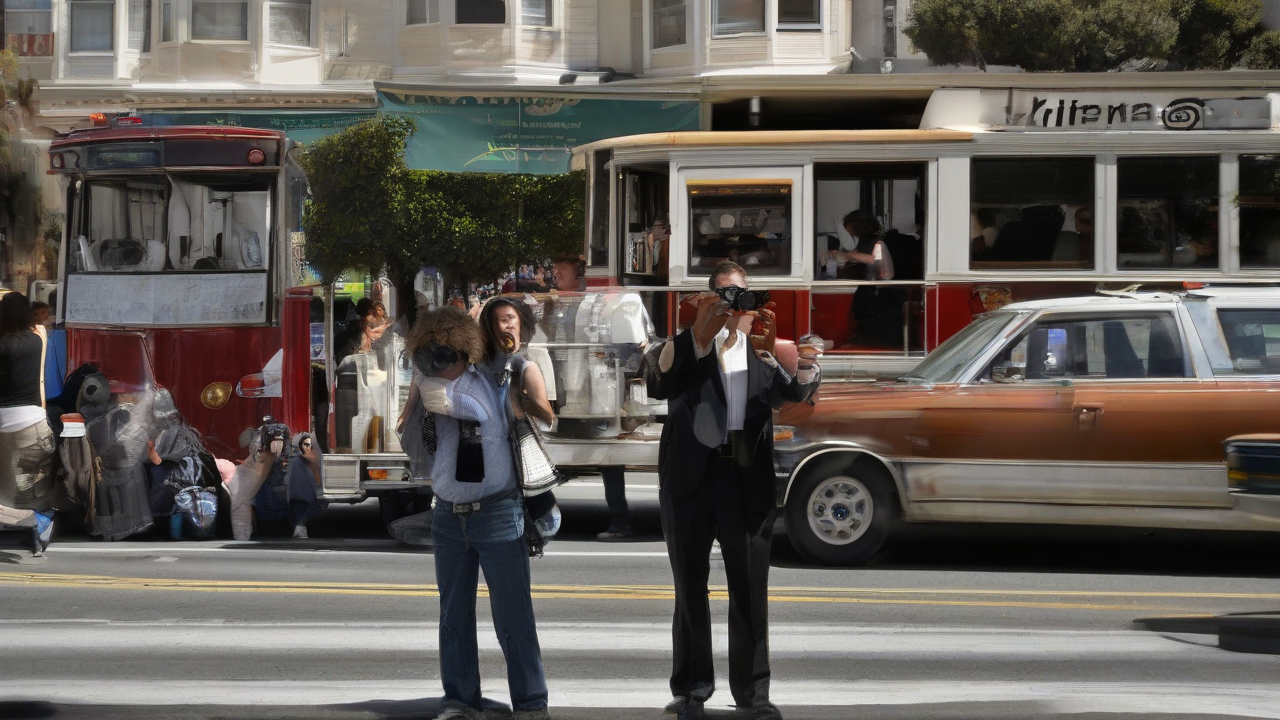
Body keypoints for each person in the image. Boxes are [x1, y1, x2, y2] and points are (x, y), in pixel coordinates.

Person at [647, 261, 821, 720]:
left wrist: (792, 360)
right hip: (690, 478)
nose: (732, 304)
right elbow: (658, 385)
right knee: (689, 588)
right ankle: (691, 690)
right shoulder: (686, 344)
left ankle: (753, 694)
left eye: (740, 295)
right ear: (707, 299)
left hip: (744, 477)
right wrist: (699, 336)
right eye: (722, 295)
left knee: (750, 590)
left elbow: (794, 396)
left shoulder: (764, 349)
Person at [406, 306, 549, 720]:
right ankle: (460, 700)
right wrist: (419, 393)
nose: (439, 363)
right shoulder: (429, 387)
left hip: (497, 513)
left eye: (446, 355)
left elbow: (480, 413)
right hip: (448, 516)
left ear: (465, 353)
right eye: (430, 355)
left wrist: (439, 396)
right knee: (453, 616)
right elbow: (413, 444)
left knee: (514, 616)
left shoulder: (484, 382)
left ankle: (531, 703)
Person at [0, 292, 55, 554]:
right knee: (34, 488)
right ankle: (37, 532)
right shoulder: (37, 341)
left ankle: (19, 528)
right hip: (33, 424)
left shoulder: (2, 345)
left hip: (4, 425)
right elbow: (40, 329)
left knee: (7, 492)